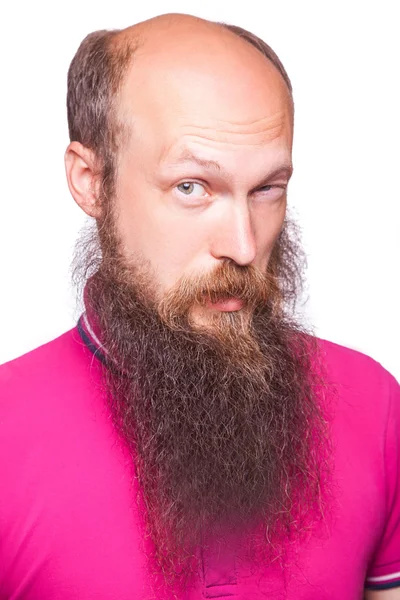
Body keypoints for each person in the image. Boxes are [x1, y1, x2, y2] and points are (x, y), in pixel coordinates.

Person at [0, 12, 398, 600]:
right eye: (192, 187)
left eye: (267, 188)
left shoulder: (375, 402)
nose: (243, 245)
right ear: (89, 180)